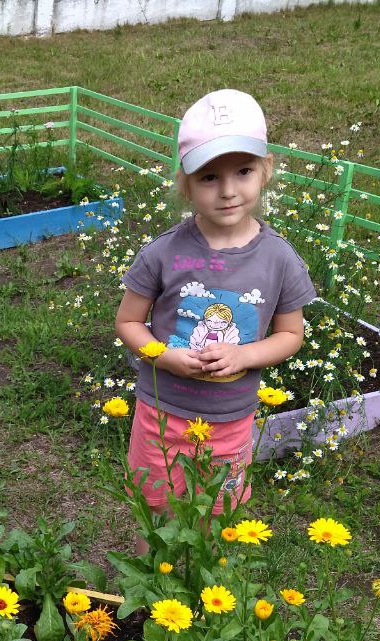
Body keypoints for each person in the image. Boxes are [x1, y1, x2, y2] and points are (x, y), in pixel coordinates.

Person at [114, 89, 314, 524]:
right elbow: (128, 321)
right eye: (208, 177)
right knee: (154, 510)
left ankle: (200, 570)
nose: (227, 191)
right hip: (161, 414)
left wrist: (243, 355)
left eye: (243, 171)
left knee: (215, 514)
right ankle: (154, 569)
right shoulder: (162, 252)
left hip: (230, 421)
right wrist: (163, 357)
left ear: (266, 170)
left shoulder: (280, 258)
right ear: (185, 184)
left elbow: (290, 334)